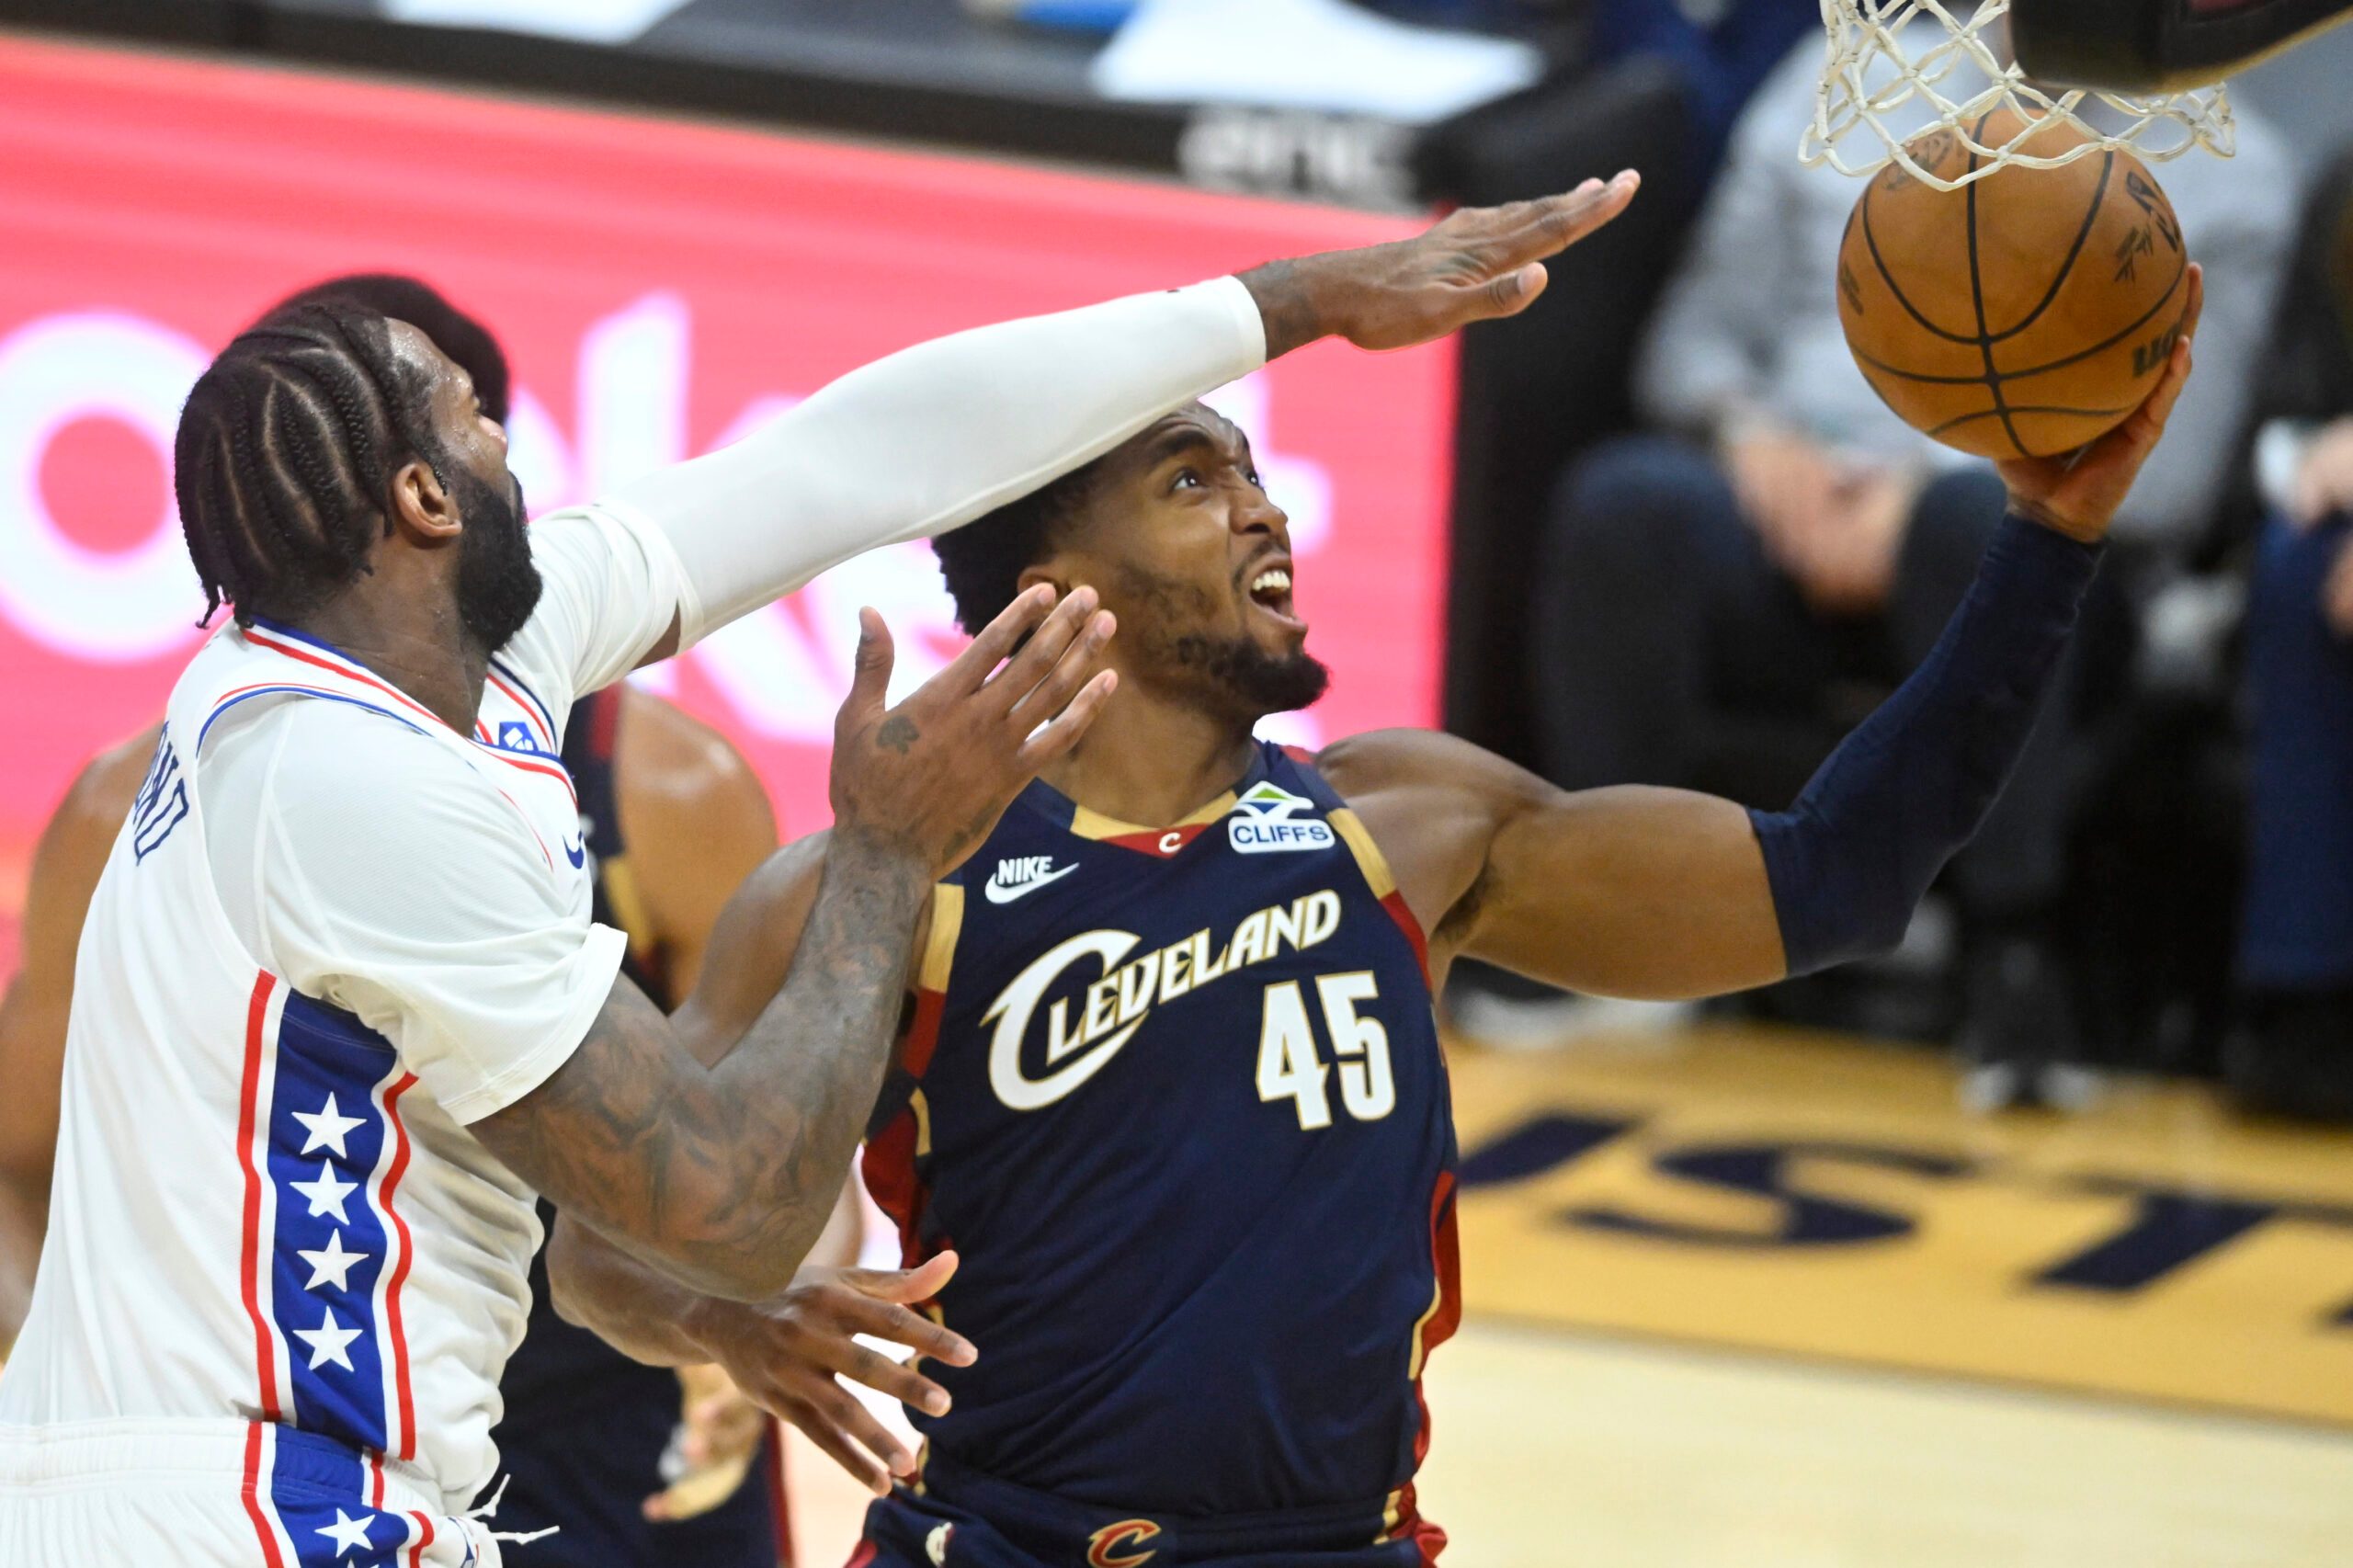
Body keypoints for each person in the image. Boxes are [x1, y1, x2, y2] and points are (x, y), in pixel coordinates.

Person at [0, 180, 1640, 1563]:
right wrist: (885, 854)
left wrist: (1293, 300)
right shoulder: (346, 782)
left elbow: (863, 452)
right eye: (477, 422)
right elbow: (725, 1200)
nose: (520, 446)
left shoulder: (427, 660)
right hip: (255, 1504)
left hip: (222, 1478)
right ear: (424, 499)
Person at [548, 273, 2202, 1564]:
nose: (1264, 511)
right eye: (1193, 480)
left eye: (1256, 471)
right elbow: (603, 1247)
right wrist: (728, 1319)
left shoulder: (1405, 825)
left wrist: (2045, 540)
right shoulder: (884, 882)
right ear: (1054, 573)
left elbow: (1837, 877)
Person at [0, 275, 831, 1564]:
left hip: (632, 1388)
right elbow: (13, 1160)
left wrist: (774, 1293)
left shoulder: (670, 787)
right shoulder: (149, 799)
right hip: (313, 1422)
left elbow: (776, 1125)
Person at [1497, 26, 2290, 1105]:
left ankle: (2014, 968)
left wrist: (1921, 487)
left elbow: (2181, 475)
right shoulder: (1846, 79)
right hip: (1785, 499)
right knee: (1626, 500)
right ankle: (1607, 927)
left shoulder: (2233, 166)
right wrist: (1749, 435)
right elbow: (1692, 339)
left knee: (1966, 525)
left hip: (2032, 534)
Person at [2226, 146, 2353, 1120]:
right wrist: (2318, 451)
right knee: (2300, 564)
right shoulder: (2342, 185)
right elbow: (2270, 429)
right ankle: (2300, 999)